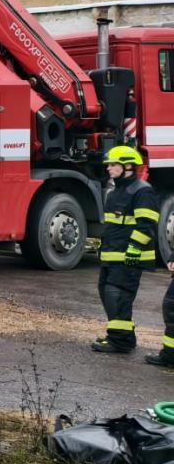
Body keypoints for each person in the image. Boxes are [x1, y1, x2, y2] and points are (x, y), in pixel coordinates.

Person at [93, 145, 160, 354]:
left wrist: (134, 247)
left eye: (113, 165)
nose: (109, 169)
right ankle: (122, 336)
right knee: (106, 292)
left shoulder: (142, 191)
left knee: (117, 295)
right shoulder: (114, 192)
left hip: (129, 257)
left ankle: (120, 341)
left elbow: (147, 225)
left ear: (128, 166)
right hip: (112, 255)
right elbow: (114, 226)